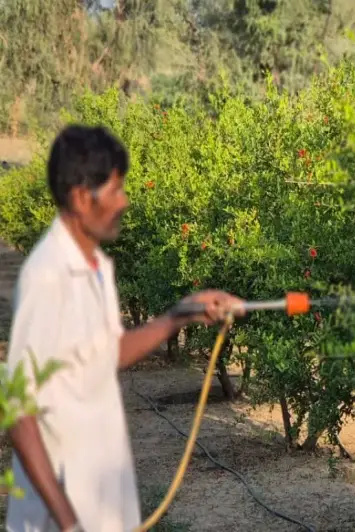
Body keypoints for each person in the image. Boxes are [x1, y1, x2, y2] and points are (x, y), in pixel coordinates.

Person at [4, 124, 245, 532]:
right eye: (116, 190)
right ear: (82, 197)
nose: (124, 201)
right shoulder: (49, 276)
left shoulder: (94, 267)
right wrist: (68, 522)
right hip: (61, 516)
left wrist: (180, 315)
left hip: (101, 505)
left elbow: (108, 352)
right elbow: (18, 410)